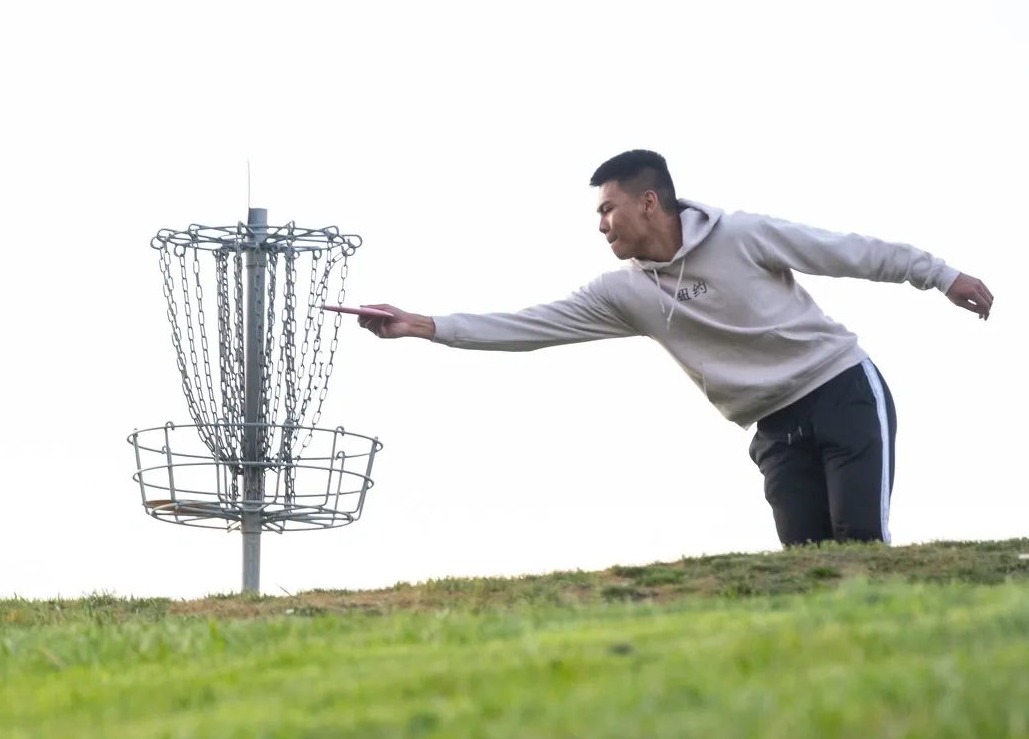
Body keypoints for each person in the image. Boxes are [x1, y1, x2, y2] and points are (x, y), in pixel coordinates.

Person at [354, 149, 994, 548]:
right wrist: (423, 325)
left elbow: (852, 252)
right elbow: (528, 326)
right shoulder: (623, 294)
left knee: (858, 548)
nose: (600, 225)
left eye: (607, 210)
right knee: (808, 568)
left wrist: (941, 275)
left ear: (648, 201)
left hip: (840, 392)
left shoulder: (742, 235)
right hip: (773, 426)